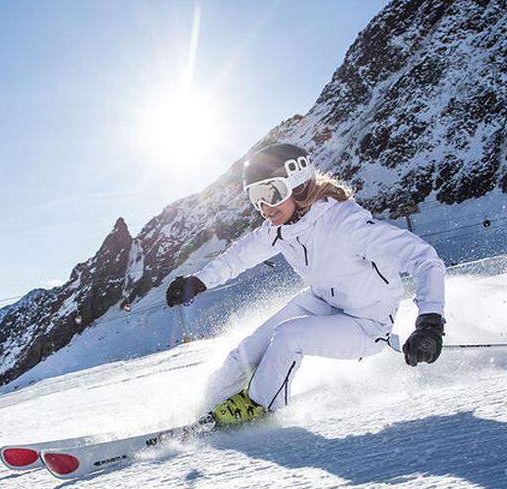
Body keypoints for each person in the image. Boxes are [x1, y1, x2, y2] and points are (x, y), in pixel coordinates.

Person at [166, 143, 446, 428]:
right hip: (322, 302)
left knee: (289, 337)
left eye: (270, 193)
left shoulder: (347, 224)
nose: (264, 207)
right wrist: (198, 282)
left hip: (367, 322)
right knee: (244, 355)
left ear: (298, 185)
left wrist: (430, 324)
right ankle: (207, 410)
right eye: (255, 197)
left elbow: (424, 259)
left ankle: (261, 410)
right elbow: (240, 255)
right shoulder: (279, 228)